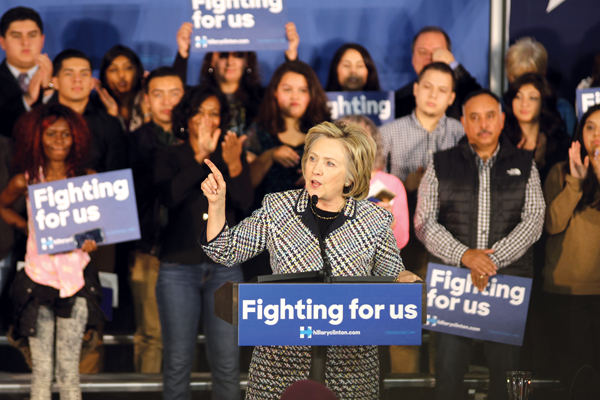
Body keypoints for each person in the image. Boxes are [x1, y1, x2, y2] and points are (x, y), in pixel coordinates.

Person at [200, 121, 419, 399]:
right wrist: (217, 205)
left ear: (350, 177)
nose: (316, 169)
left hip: (349, 370)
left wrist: (405, 279)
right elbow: (225, 250)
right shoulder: (277, 207)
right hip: (280, 368)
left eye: (330, 163)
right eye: (312, 158)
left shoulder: (375, 220)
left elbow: (392, 275)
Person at [414, 89, 546, 400]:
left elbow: (534, 220)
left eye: (490, 116)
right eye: (474, 117)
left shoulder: (526, 164)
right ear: (463, 122)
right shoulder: (441, 164)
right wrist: (464, 256)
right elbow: (423, 222)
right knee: (447, 379)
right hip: (454, 285)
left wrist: (490, 261)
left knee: (506, 381)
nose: (482, 123)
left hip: (506, 284)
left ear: (502, 120)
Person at [0, 103, 105, 400]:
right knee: (42, 372)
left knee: (69, 373)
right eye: (51, 134)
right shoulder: (27, 179)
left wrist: (94, 240)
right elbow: (3, 205)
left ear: (76, 139)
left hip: (77, 282)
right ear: (38, 138)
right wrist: (26, 228)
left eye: (65, 134)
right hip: (37, 281)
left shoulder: (87, 177)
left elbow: (103, 226)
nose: (59, 140)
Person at [154, 83, 252, 400]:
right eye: (200, 113)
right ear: (187, 117)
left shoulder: (230, 152)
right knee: (178, 361)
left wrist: (235, 164)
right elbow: (169, 197)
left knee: (226, 364)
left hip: (225, 271)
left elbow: (245, 202)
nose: (207, 119)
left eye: (214, 113)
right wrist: (200, 157)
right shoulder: (169, 154)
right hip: (177, 269)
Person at [381, 61, 465, 374]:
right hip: (402, 244)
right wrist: (403, 187)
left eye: (442, 90)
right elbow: (374, 186)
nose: (433, 95)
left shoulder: (461, 133)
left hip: (448, 240)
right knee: (402, 326)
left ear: (451, 97)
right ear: (415, 89)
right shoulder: (389, 133)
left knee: (445, 327)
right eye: (427, 86)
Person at [127, 66, 184, 373]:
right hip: (148, 249)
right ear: (146, 101)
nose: (167, 102)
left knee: (185, 336)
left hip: (192, 253)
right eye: (158, 94)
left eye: (175, 93)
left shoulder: (202, 140)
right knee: (151, 334)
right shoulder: (133, 142)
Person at [542, 104, 600, 394]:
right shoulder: (560, 171)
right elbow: (551, 224)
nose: (597, 136)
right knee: (575, 376)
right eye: (590, 127)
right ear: (580, 134)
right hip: (567, 291)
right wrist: (576, 183)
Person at [174, 22, 299, 135]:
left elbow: (294, 90)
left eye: (238, 55)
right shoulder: (195, 98)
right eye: (223, 55)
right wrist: (182, 54)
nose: (230, 62)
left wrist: (291, 56)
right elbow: (175, 94)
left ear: (247, 62)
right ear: (212, 61)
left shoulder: (263, 98)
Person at [246, 60, 330, 208]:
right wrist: (269, 156)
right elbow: (245, 184)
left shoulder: (326, 132)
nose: (295, 96)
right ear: (274, 92)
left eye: (302, 90)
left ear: (312, 94)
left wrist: (318, 179)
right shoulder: (259, 131)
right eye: (287, 89)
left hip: (314, 221)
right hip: (267, 220)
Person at [337, 114, 408, 249]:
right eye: (347, 136)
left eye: (360, 136)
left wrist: (390, 222)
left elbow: (401, 240)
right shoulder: (321, 179)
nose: (354, 143)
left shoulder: (391, 185)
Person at [51, 49, 127, 173]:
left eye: (84, 74)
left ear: (92, 83)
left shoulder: (109, 124)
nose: (77, 79)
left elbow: (117, 175)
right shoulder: (38, 120)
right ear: (55, 82)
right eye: (69, 74)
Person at [394, 26, 480, 120]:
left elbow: (481, 101)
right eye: (422, 52)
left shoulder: (464, 93)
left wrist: (455, 66)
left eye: (437, 52)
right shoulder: (398, 100)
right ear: (413, 59)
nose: (429, 58)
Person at [503, 72, 570, 180]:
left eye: (532, 98)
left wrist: (540, 165)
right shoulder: (501, 141)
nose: (524, 103)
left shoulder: (560, 144)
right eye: (518, 97)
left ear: (543, 105)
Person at [0, 6, 55, 138]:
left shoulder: (58, 79)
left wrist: (48, 88)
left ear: (42, 40)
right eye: (16, 36)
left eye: (32, 35)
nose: (25, 43)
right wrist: (27, 99)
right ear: (2, 42)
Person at [505, 37, 576, 136]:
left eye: (529, 78)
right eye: (517, 78)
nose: (523, 86)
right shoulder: (498, 108)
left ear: (543, 74)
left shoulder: (562, 109)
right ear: (508, 75)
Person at [95, 44, 149, 132]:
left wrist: (147, 113)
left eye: (127, 68)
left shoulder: (151, 103)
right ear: (104, 76)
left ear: (138, 71)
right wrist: (111, 114)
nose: (121, 75)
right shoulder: (95, 111)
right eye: (114, 70)